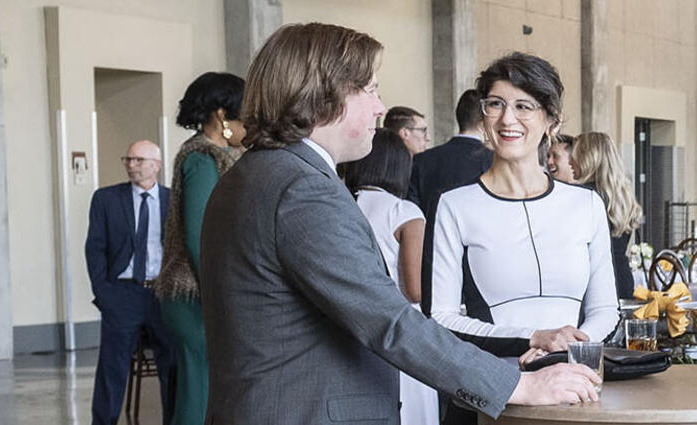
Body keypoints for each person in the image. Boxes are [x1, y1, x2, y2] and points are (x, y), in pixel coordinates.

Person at [199, 22, 598, 423]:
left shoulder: (256, 174)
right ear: (324, 94)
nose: (379, 107)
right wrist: (517, 385)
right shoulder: (302, 188)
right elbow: (389, 321)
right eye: (371, 89)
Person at [428, 51, 616, 357]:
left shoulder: (586, 204)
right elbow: (441, 317)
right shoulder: (454, 206)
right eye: (495, 104)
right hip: (494, 388)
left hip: (575, 383)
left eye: (523, 106)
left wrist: (568, 347)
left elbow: (606, 308)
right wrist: (534, 338)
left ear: (551, 121)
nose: (507, 119)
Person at [153, 72, 243, 425]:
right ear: (222, 115)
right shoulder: (202, 158)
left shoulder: (224, 154)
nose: (249, 120)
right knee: (200, 390)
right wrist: (220, 292)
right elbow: (199, 234)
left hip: (207, 289)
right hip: (194, 293)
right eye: (243, 112)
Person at [338, 129, 437, 425]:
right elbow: (415, 291)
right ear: (399, 166)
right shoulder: (403, 212)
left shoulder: (341, 205)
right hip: (401, 332)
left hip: (352, 330)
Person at [85, 140, 176, 425]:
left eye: (138, 160)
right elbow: (95, 248)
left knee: (172, 365)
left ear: (156, 165)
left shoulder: (173, 200)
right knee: (112, 367)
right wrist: (103, 293)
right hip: (122, 293)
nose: (131, 165)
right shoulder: (106, 199)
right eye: (128, 159)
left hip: (163, 293)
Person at [408, 89, 492, 316]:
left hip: (433, 265)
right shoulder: (492, 161)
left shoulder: (422, 161)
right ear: (483, 120)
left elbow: (413, 213)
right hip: (483, 273)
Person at [570, 131, 643, 299]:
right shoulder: (623, 196)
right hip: (623, 278)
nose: (570, 161)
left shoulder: (584, 197)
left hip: (594, 284)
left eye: (574, 155)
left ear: (588, 158)